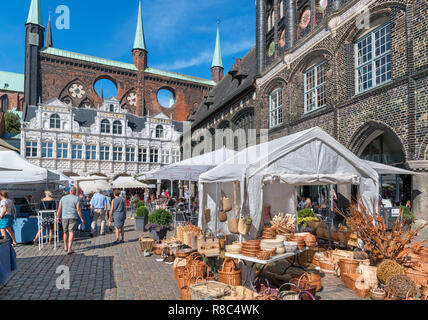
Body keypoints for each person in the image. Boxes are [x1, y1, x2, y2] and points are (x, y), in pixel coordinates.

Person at [57, 187, 85, 255]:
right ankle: (69, 249)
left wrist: (58, 217)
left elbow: (59, 208)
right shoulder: (76, 198)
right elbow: (78, 209)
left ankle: (65, 247)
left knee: (65, 232)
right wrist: (82, 218)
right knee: (71, 232)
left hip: (64, 217)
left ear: (70, 191)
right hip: (73, 217)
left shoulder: (63, 198)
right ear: (75, 192)